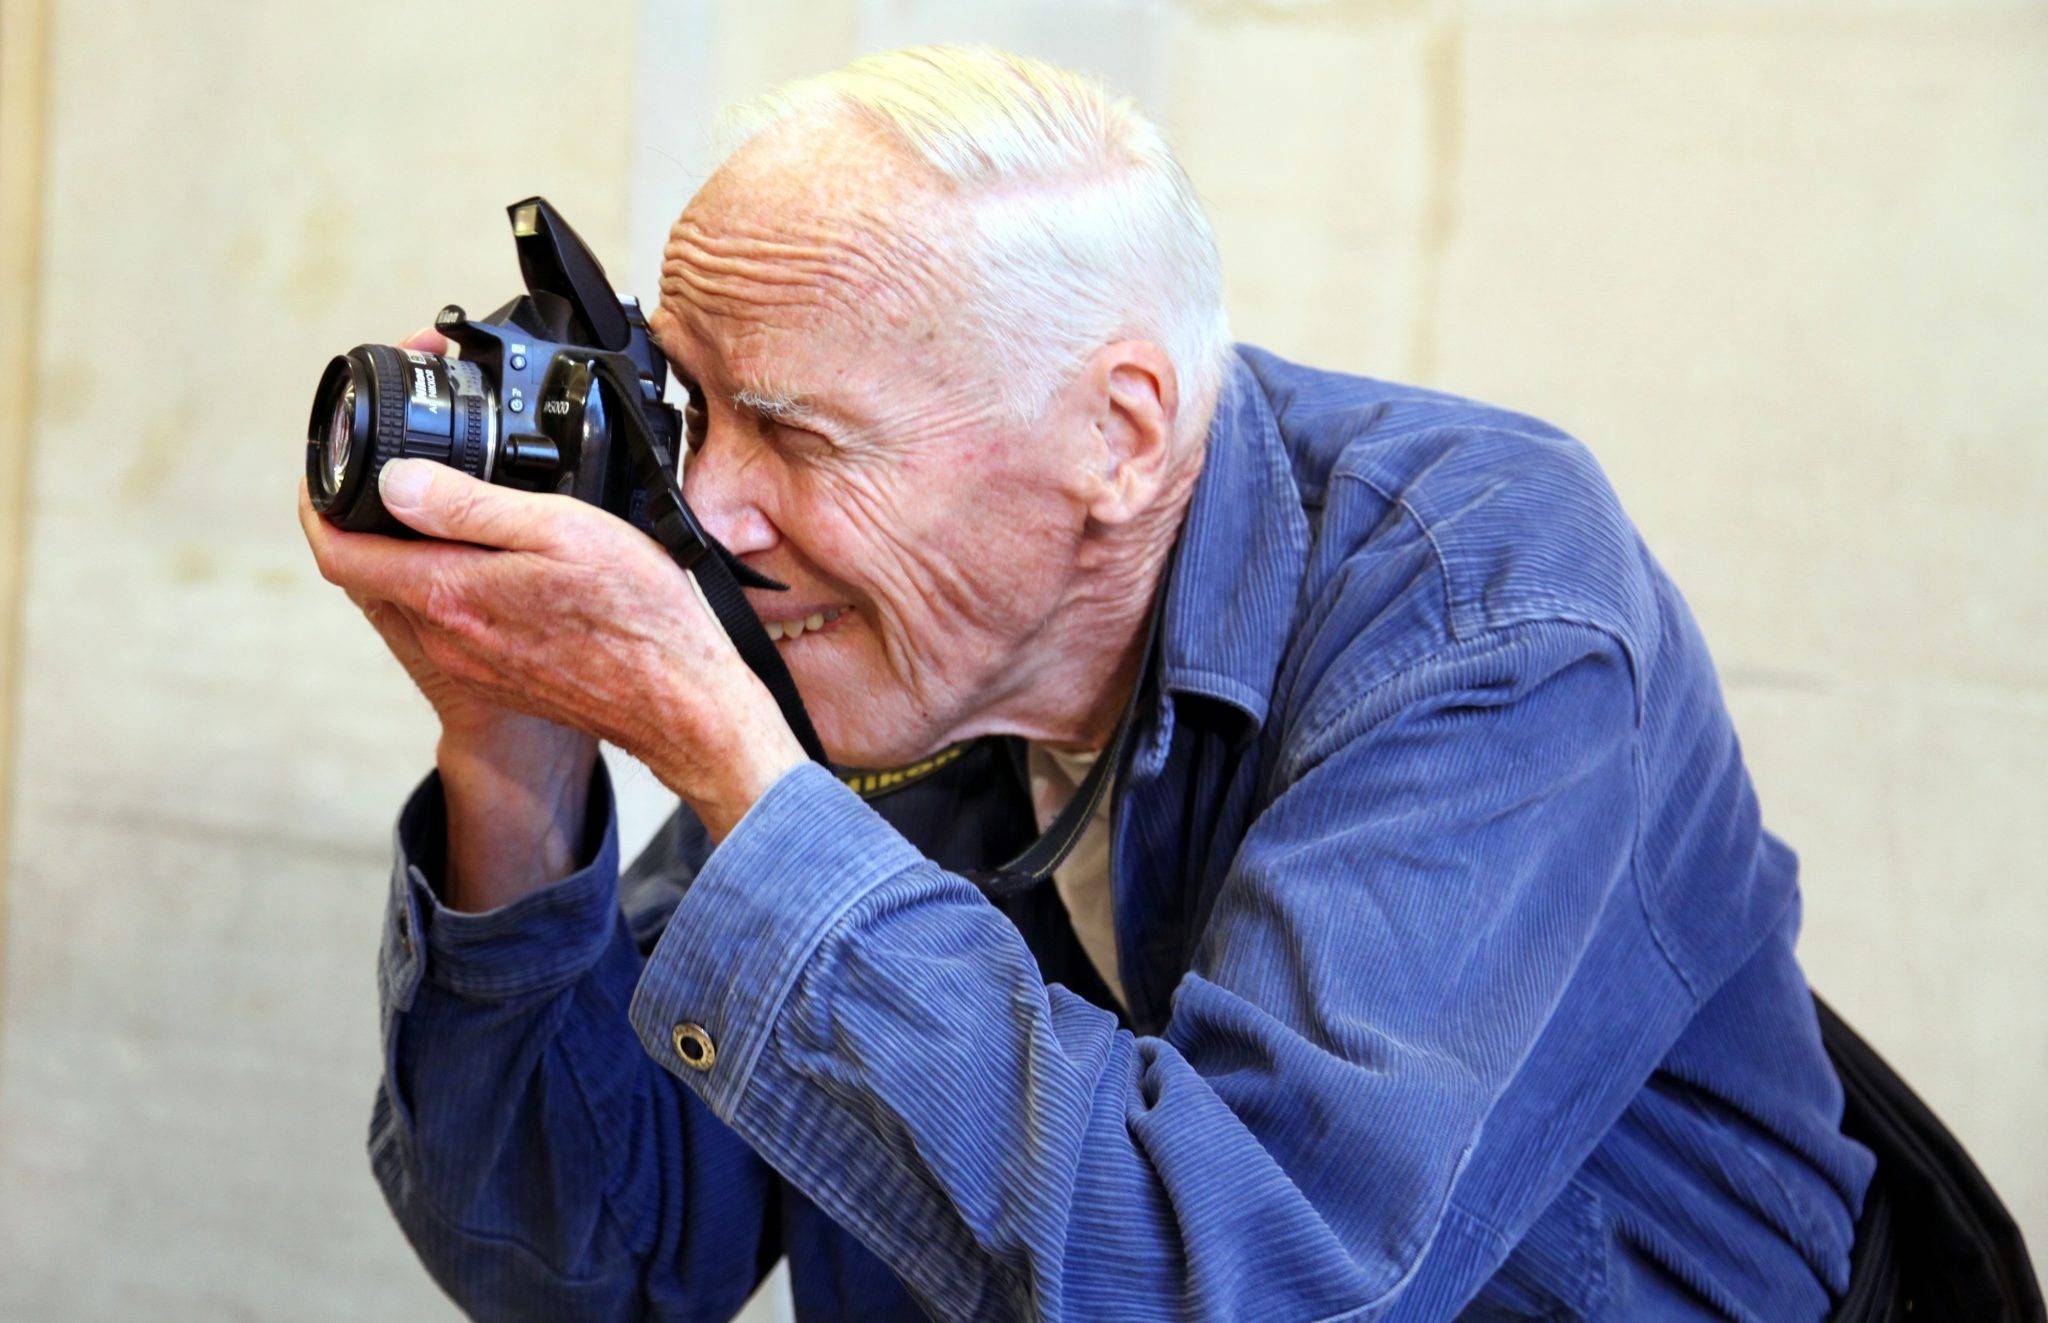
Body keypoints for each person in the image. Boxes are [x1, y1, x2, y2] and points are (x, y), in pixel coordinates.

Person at [300, 45, 1874, 1322]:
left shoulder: (1481, 609)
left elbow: (1247, 1289)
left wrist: (729, 756)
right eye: (690, 404)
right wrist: (508, 734)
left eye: (796, 435)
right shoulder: (880, 645)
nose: (709, 510)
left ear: (1119, 436)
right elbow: (593, 1264)